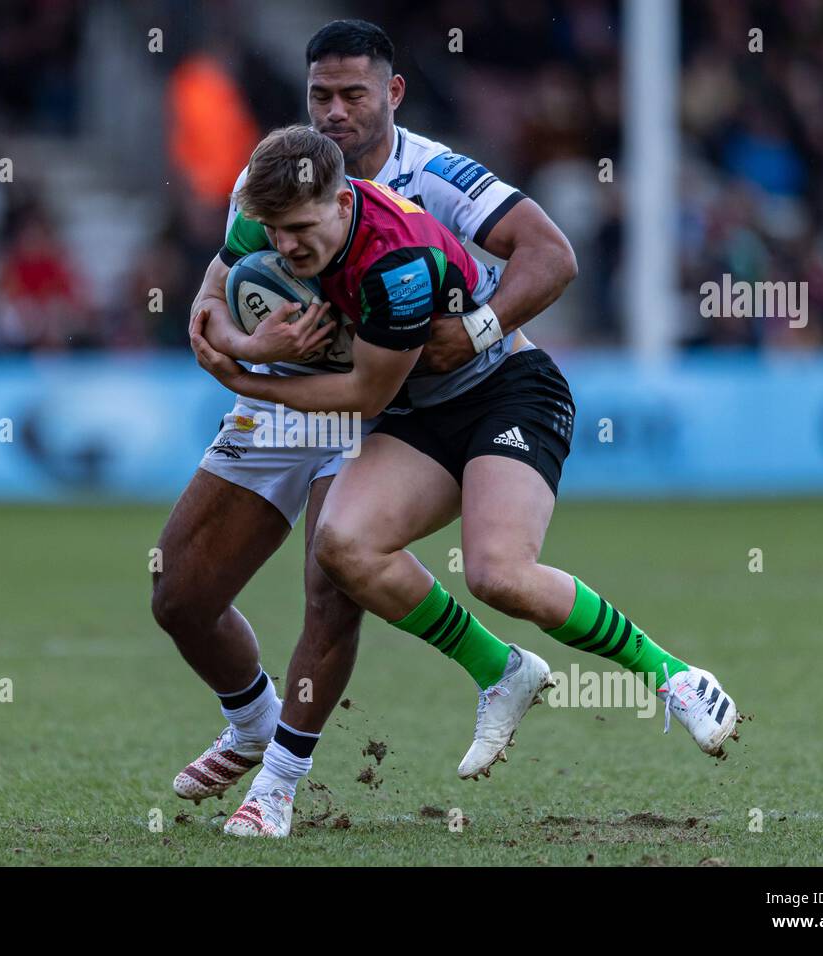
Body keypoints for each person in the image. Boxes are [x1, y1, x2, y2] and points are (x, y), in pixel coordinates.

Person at [192, 125, 740, 839]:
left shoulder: (396, 260)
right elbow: (211, 296)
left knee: (500, 573)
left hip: (505, 393)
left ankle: (674, 676)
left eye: (299, 231)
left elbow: (360, 396)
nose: (285, 247)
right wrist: (245, 347)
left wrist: (239, 375)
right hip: (419, 412)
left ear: (338, 200)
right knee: (344, 546)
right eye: (274, 232)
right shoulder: (262, 216)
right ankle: (499, 668)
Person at [155, 19, 577, 810]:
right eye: (321, 95)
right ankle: (251, 723)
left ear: (393, 93)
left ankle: (278, 786)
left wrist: (478, 328)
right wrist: (243, 341)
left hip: (377, 404)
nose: (336, 111)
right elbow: (214, 292)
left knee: (331, 582)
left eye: (354, 94)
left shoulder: (437, 175)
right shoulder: (278, 177)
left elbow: (551, 254)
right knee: (179, 594)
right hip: (285, 393)